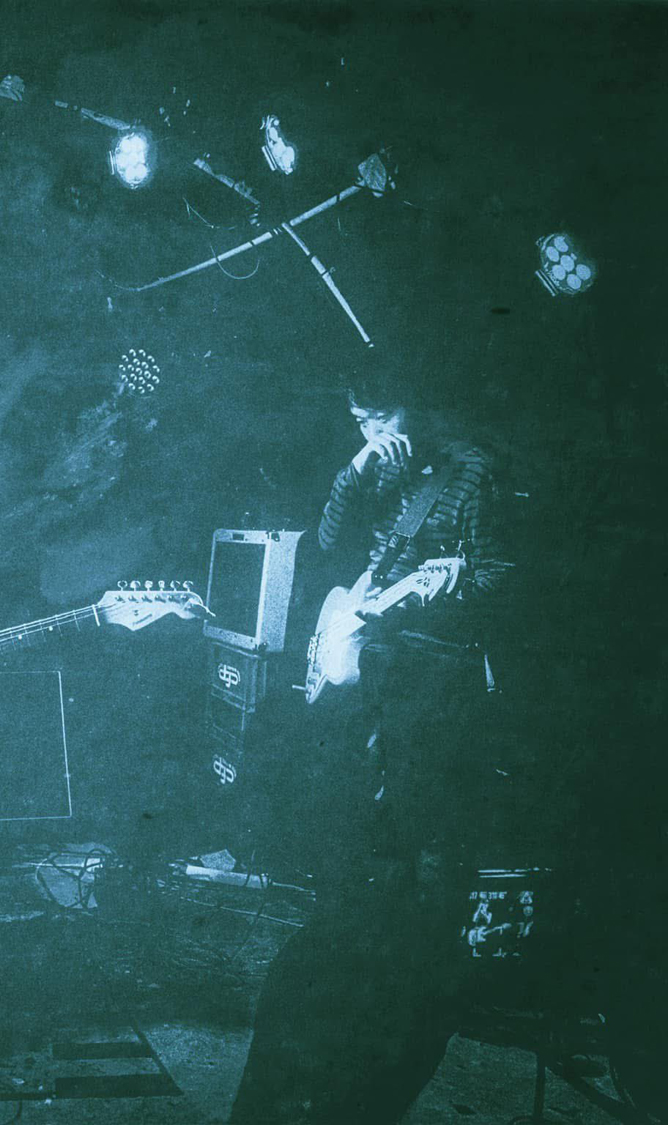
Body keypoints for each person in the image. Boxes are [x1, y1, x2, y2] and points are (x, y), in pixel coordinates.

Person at [230, 369, 511, 1124]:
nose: (374, 435)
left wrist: (442, 585)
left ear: (421, 403)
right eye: (360, 422)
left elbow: (498, 575)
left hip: (427, 676)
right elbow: (329, 546)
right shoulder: (383, 465)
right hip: (373, 671)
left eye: (383, 418)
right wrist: (356, 469)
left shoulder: (474, 471)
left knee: (408, 862)